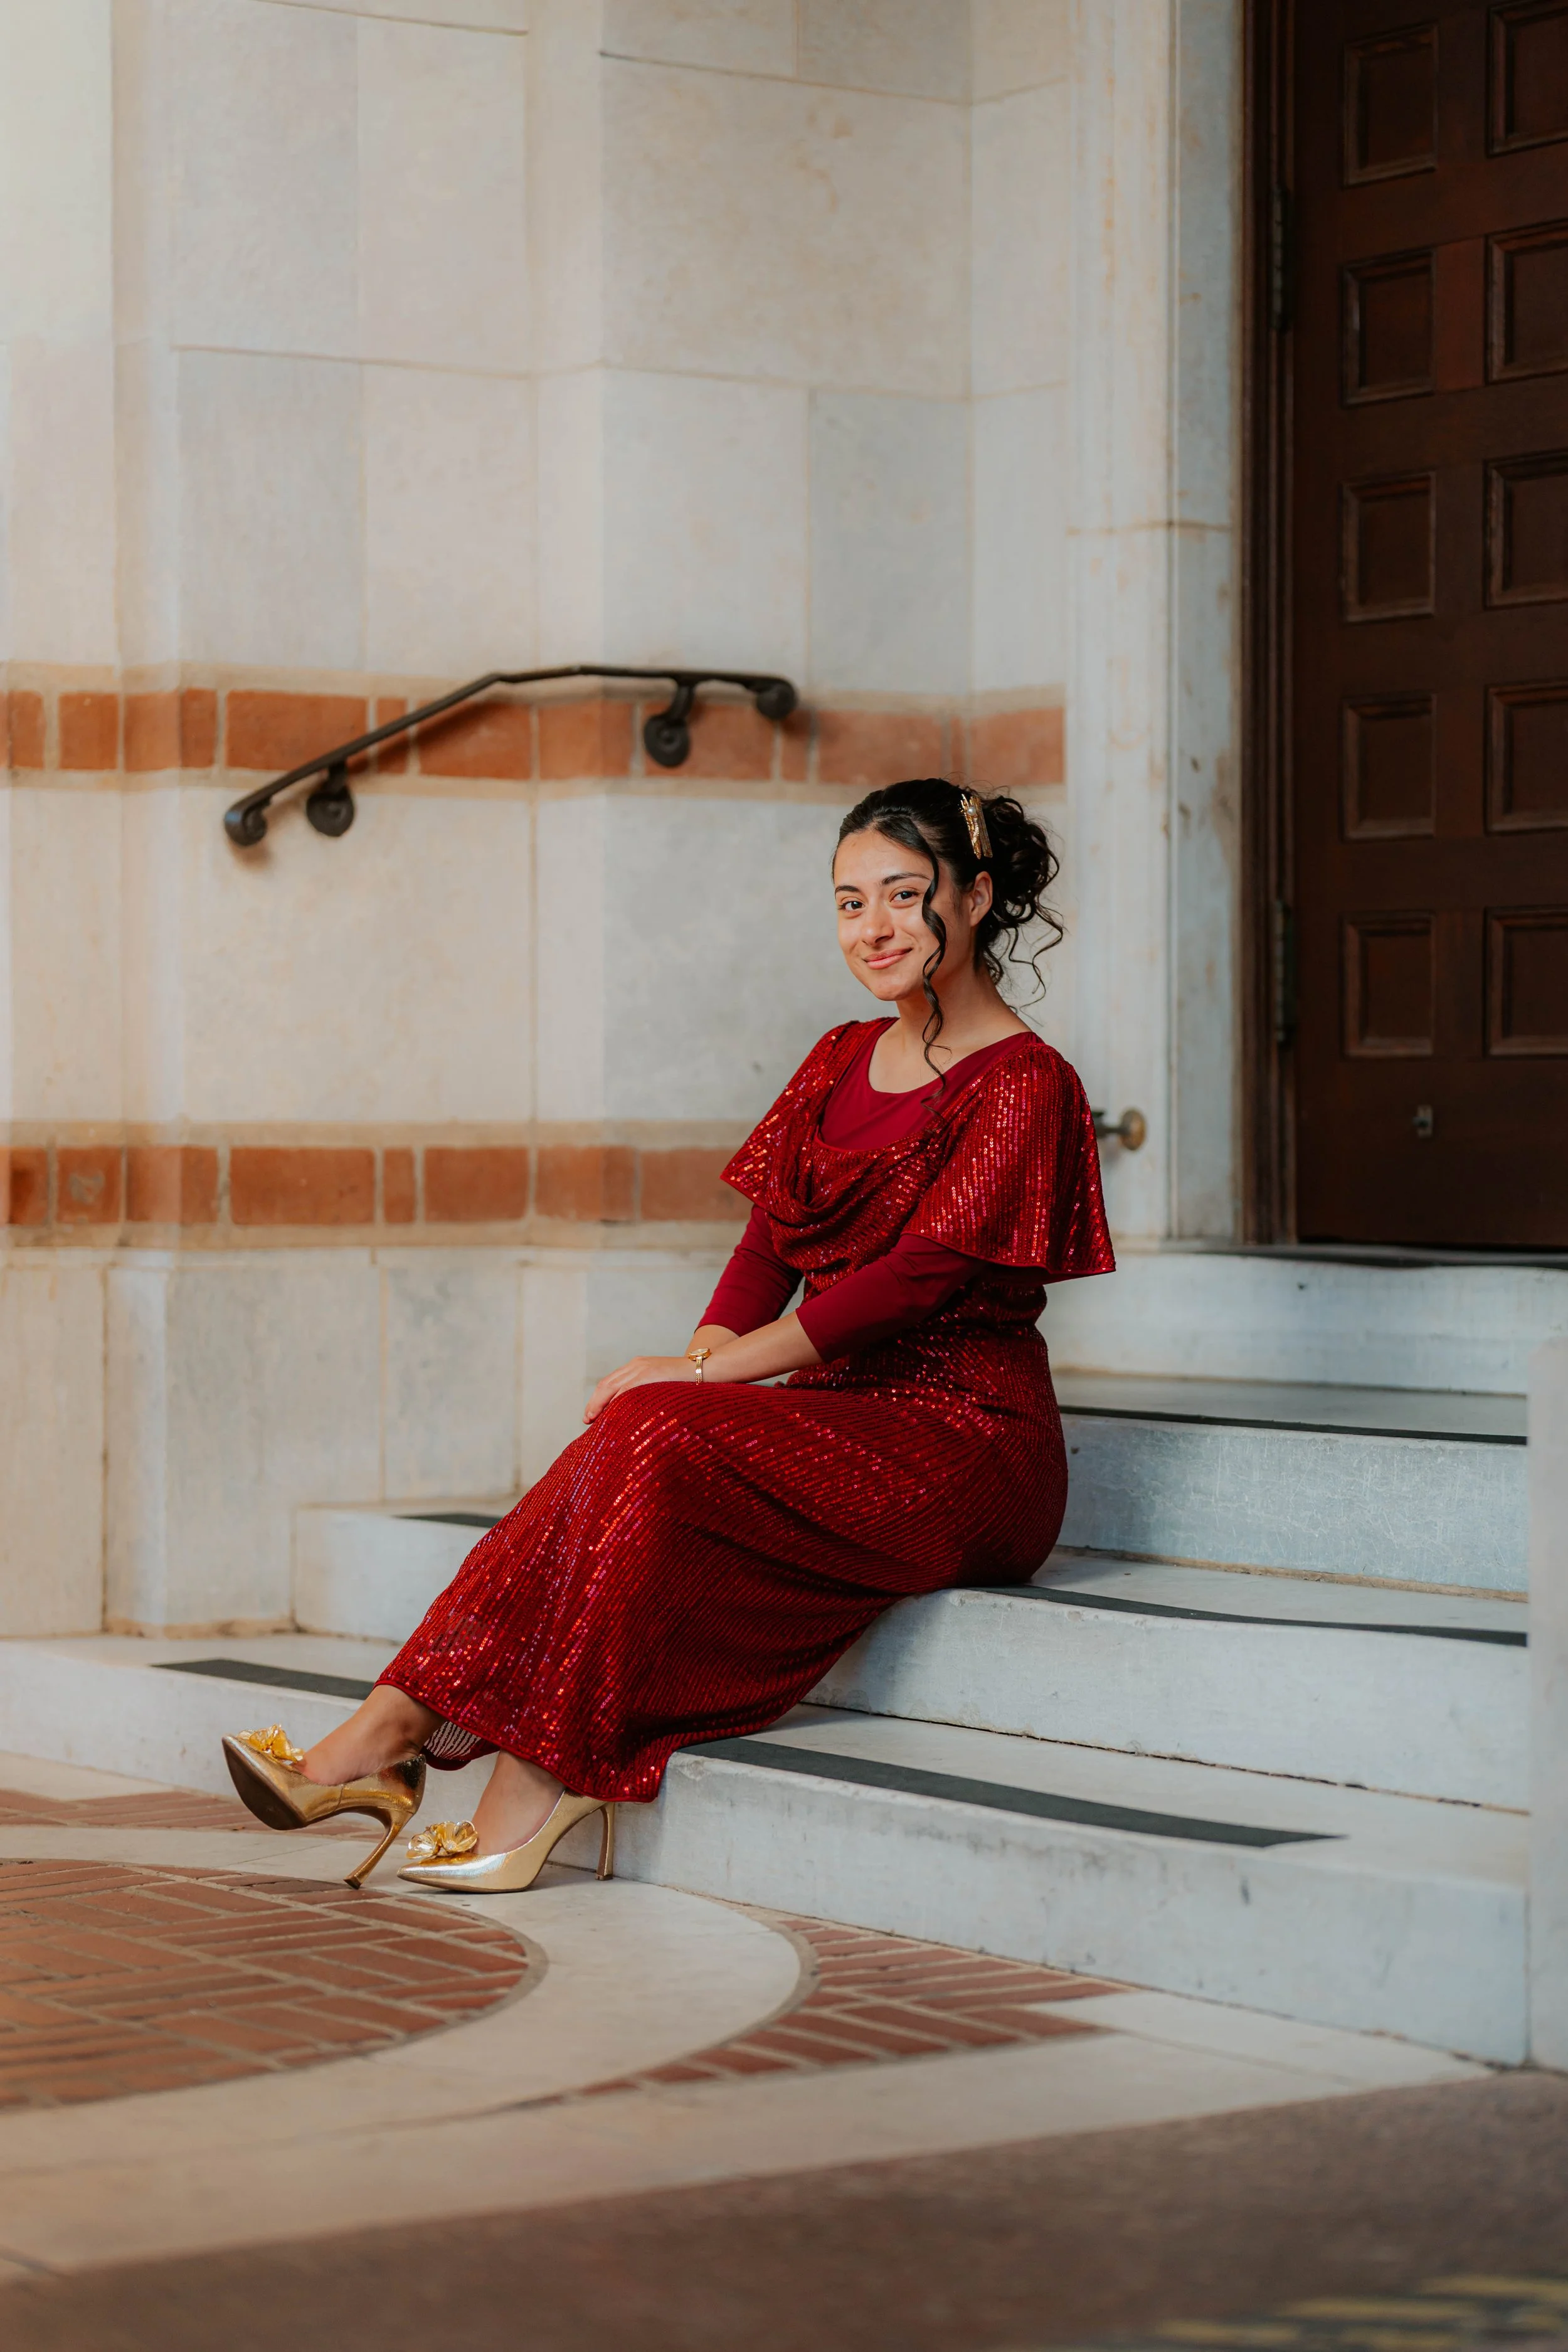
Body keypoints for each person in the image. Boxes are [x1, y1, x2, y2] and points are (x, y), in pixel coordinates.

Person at [223, 778, 1115, 1892]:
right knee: (647, 1427)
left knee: (657, 1422)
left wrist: (702, 1376)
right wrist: (695, 1368)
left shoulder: (1028, 1083)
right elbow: (764, 1250)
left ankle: (515, 1772)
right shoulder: (838, 1055)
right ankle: (393, 1727)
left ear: (976, 897)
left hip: (967, 1439)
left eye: (902, 895)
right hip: (841, 1413)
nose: (871, 929)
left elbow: (913, 1285)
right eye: (847, 902)